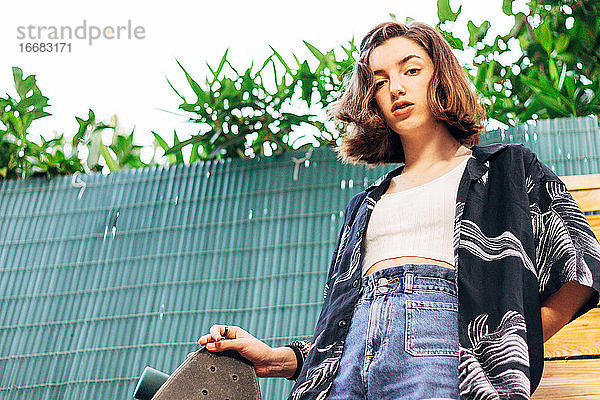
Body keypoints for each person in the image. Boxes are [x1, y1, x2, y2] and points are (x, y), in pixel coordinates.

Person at [196, 21, 600, 399]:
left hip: (441, 352)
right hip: (350, 364)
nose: (395, 89)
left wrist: (506, 348)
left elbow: (583, 269)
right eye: (380, 81)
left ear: (440, 77)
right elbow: (343, 327)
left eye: (411, 70)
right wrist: (279, 359)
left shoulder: (506, 169)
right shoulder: (366, 203)